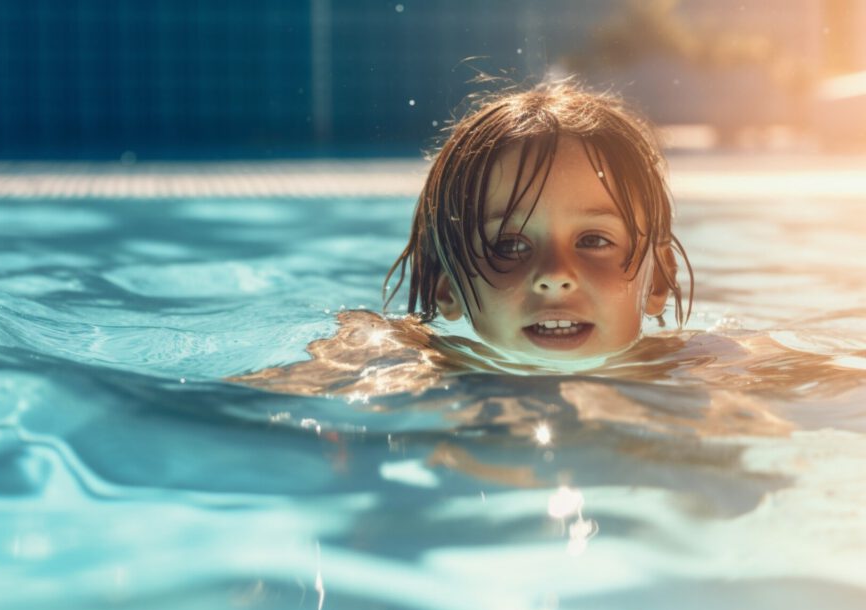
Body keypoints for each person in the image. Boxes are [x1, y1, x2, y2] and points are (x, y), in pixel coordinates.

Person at [238, 78, 694, 396]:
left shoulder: (706, 370)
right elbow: (257, 409)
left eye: (594, 240)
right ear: (446, 287)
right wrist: (357, 358)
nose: (555, 276)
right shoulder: (419, 369)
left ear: (656, 282)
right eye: (509, 246)